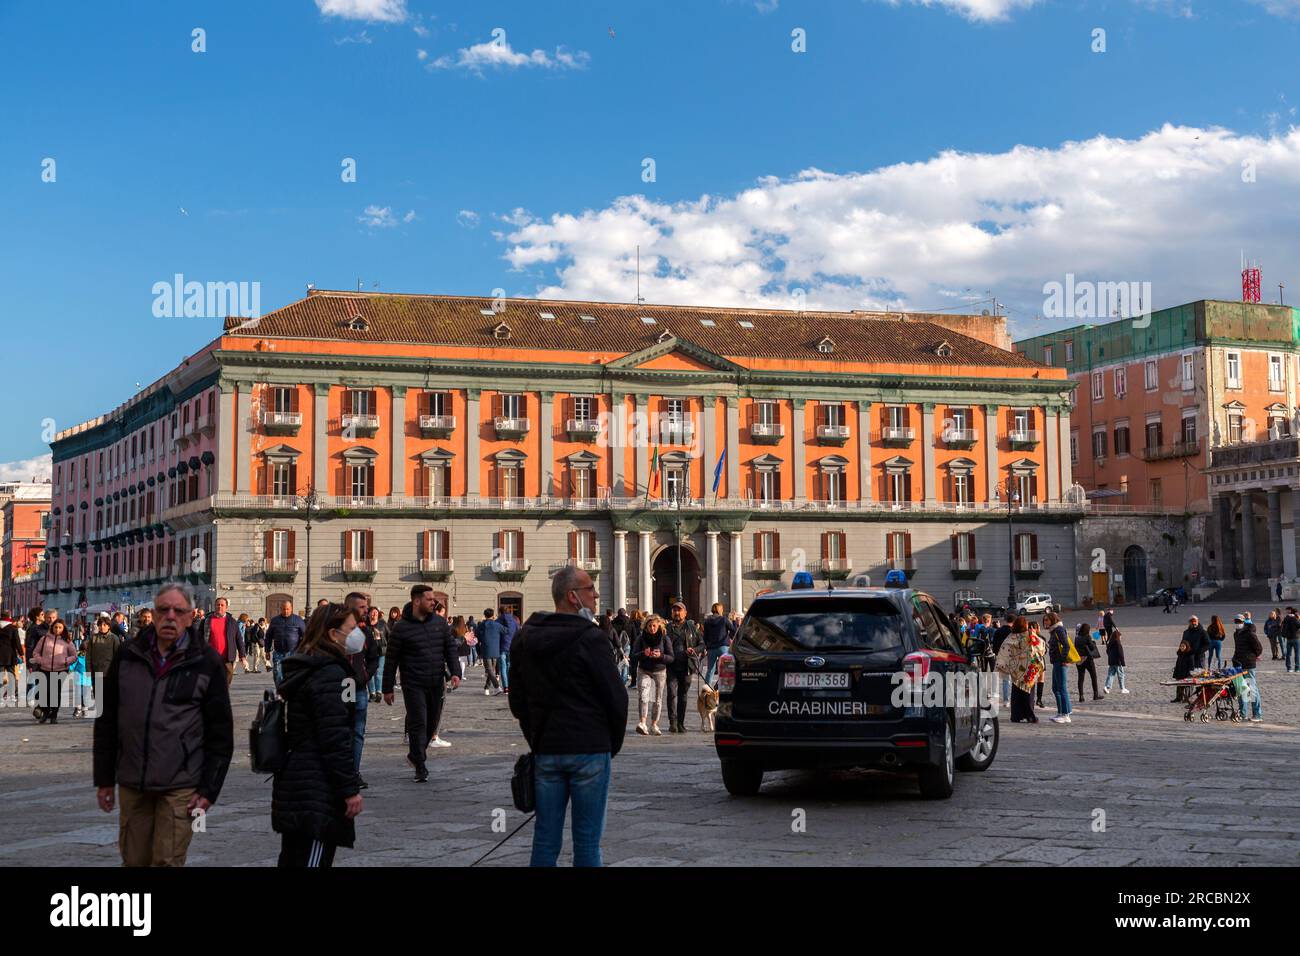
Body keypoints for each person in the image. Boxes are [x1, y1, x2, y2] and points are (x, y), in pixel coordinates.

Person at [93, 583, 234, 867]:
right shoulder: (128, 655)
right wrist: (104, 778)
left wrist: (209, 790)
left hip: (181, 783)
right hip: (134, 780)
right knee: (133, 861)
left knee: (166, 861)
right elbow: (107, 719)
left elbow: (221, 733)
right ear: (153, 615)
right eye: (163, 610)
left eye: (178, 611)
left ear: (191, 616)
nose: (170, 616)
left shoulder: (206, 662)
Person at [508, 565, 627, 867]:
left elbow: (517, 700)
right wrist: (609, 744)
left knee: (545, 839)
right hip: (589, 749)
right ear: (573, 597)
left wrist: (536, 736)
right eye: (590, 589)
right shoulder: (592, 638)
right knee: (587, 842)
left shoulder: (525, 638)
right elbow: (616, 697)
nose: (596, 594)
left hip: (547, 749)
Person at [272, 603, 365, 867]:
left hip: (299, 778)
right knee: (311, 859)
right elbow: (334, 737)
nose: (357, 634)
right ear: (334, 634)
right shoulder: (330, 673)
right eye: (351, 628)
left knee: (293, 858)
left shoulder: (308, 665)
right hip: (317, 786)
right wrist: (349, 789)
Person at [383, 585, 462, 782]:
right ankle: (420, 764)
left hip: (436, 681)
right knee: (419, 722)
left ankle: (415, 755)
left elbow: (450, 648)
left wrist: (455, 673)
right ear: (416, 601)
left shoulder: (440, 623)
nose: (433, 602)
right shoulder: (401, 627)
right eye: (429, 599)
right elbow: (391, 659)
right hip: (413, 683)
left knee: (432, 724)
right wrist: (387, 688)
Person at [342, 592, 380, 788]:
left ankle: (353, 772)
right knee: (343, 729)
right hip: (342, 687)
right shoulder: (335, 630)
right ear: (349, 608)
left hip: (359, 686)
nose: (367, 610)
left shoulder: (366, 632)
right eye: (362, 607)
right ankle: (343, 771)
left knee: (357, 731)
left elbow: (374, 656)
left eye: (367, 607)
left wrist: (366, 676)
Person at [994, 616, 1044, 723]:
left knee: (1016, 691)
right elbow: (1040, 646)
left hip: (1016, 668)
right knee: (1028, 692)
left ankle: (1016, 716)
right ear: (1025, 625)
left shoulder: (1010, 637)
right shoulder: (1029, 635)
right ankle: (1030, 716)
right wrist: (1035, 633)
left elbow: (1003, 651)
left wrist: (1002, 665)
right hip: (1028, 668)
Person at [664, 603, 702, 734]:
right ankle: (672, 722)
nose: (677, 613)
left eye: (679, 610)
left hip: (687, 666)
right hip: (671, 666)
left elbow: (702, 644)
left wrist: (694, 650)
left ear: (685, 613)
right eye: (674, 610)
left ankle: (681, 723)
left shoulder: (692, 628)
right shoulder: (666, 628)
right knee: (671, 693)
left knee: (683, 695)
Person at [632, 614, 673, 734]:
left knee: (657, 699)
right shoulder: (641, 638)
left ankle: (654, 724)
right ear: (645, 626)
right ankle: (642, 723)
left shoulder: (664, 638)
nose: (652, 628)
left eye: (654, 625)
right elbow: (633, 656)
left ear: (659, 625)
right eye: (649, 626)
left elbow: (671, 658)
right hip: (644, 670)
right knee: (644, 695)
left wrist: (660, 656)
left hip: (659, 671)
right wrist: (643, 654)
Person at [31, 619, 78, 722]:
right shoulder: (44, 639)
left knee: (55, 693)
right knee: (44, 692)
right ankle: (45, 712)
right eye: (55, 627)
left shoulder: (67, 641)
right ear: (52, 628)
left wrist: (66, 661)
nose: (57, 629)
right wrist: (41, 660)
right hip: (45, 669)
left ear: (63, 629)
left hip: (61, 670)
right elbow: (35, 652)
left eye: (60, 627)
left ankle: (54, 715)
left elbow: (74, 656)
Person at [199, 597, 245, 686]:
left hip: (227, 658)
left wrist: (242, 656)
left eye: (222, 605)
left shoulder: (232, 621)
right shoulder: (206, 621)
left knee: (226, 683)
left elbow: (239, 639)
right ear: (214, 606)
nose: (219, 607)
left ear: (226, 607)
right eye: (218, 605)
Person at [1231, 614, 1263, 723]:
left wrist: (1251, 657)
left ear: (1244, 622)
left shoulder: (1250, 634)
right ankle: (1243, 713)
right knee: (1241, 689)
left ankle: (1257, 714)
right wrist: (1235, 658)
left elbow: (1259, 648)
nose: (1237, 623)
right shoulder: (1236, 634)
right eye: (1236, 621)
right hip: (1238, 665)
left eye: (1239, 621)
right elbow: (1237, 648)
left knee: (1253, 690)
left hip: (1249, 665)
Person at [267, 600, 307, 685]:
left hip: (293, 652)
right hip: (278, 652)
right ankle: (280, 690)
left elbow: (305, 635)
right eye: (284, 609)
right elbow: (269, 636)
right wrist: (267, 650)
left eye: (287, 609)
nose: (286, 611)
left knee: (293, 674)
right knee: (277, 673)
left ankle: (291, 691)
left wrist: (303, 650)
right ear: (281, 609)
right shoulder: (275, 620)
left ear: (291, 609)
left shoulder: (298, 620)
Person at [1044, 613, 1073, 723]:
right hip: (1056, 662)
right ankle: (1060, 712)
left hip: (1060, 663)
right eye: (1044, 620)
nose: (1045, 622)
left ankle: (1066, 714)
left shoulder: (1059, 629)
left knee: (1061, 688)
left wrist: (1063, 659)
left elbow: (1066, 645)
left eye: (1047, 620)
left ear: (1052, 620)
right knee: (1055, 688)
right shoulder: (1054, 631)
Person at [85, 614, 123, 693]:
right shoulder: (93, 638)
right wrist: (88, 672)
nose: (102, 627)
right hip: (97, 672)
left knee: (109, 698)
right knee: (99, 699)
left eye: (104, 625)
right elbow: (88, 656)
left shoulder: (114, 638)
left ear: (108, 626)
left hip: (110, 673)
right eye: (100, 625)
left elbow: (118, 657)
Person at [474, 608, 505, 695]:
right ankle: (487, 687)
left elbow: (477, 635)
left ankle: (496, 687)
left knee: (489, 670)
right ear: (493, 615)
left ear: (485, 615)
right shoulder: (497, 625)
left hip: (486, 649)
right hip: (496, 650)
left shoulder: (482, 625)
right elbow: (506, 631)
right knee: (492, 670)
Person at [701, 602, 731, 686]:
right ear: (720, 610)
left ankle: (707, 690)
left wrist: (706, 647)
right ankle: (721, 687)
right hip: (723, 647)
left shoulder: (707, 621)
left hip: (711, 648)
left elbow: (705, 636)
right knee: (726, 669)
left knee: (710, 670)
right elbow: (733, 631)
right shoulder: (723, 619)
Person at [1074, 621, 1103, 700]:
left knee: (1081, 678)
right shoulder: (1087, 637)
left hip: (1079, 660)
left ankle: (1081, 696)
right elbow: (1092, 647)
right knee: (1093, 676)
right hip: (1088, 659)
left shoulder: (1077, 637)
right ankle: (1095, 695)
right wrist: (1093, 642)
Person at [0, 610, 22, 705]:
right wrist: (21, 653)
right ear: (9, 616)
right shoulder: (13, 628)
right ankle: (13, 695)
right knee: (12, 675)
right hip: (10, 655)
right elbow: (17, 642)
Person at [366, 606, 388, 702]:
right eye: (372, 612)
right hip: (368, 652)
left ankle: (379, 692)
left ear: (378, 614)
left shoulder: (382, 624)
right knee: (369, 673)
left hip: (381, 651)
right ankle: (372, 693)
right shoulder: (365, 625)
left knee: (379, 672)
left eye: (376, 612)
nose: (374, 614)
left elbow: (389, 636)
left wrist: (381, 636)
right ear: (369, 614)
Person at [499, 604, 519, 693]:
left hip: (501, 646)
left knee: (502, 667)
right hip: (512, 646)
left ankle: (506, 687)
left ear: (500, 612)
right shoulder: (514, 621)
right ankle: (511, 685)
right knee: (509, 666)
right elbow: (518, 632)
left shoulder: (498, 621)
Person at [1104, 627, 1129, 693]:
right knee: (1121, 675)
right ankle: (1122, 688)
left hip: (1111, 661)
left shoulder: (1110, 643)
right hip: (1118, 662)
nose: (1121, 638)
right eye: (1120, 636)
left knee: (1111, 674)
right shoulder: (1118, 643)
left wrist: (1110, 657)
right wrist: (1123, 663)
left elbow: (1107, 651)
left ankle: (1107, 687)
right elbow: (1121, 654)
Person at [626, 610, 645, 688]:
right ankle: (643, 683)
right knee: (643, 665)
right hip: (643, 646)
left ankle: (633, 683)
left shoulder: (630, 624)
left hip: (634, 646)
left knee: (633, 665)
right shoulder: (643, 623)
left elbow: (629, 636)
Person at [1283, 606, 1300, 674]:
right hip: (1296, 638)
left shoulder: (1286, 618)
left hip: (1288, 638)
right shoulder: (1295, 619)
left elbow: (1283, 626)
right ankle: (1297, 668)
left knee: (1288, 654)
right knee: (1297, 654)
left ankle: (1289, 668)